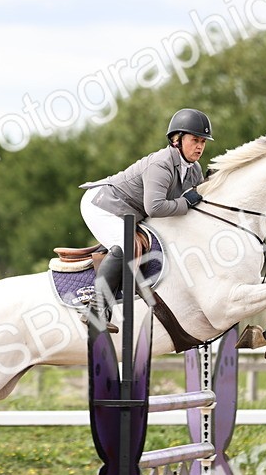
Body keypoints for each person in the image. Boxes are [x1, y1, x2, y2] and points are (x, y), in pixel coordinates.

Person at [78, 108, 213, 331]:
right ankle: (96, 309)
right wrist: (187, 202)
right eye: (195, 140)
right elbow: (156, 206)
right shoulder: (161, 164)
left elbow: (193, 206)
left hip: (130, 212)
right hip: (101, 204)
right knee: (126, 246)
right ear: (177, 140)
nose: (200, 146)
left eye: (203, 142)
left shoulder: (193, 169)